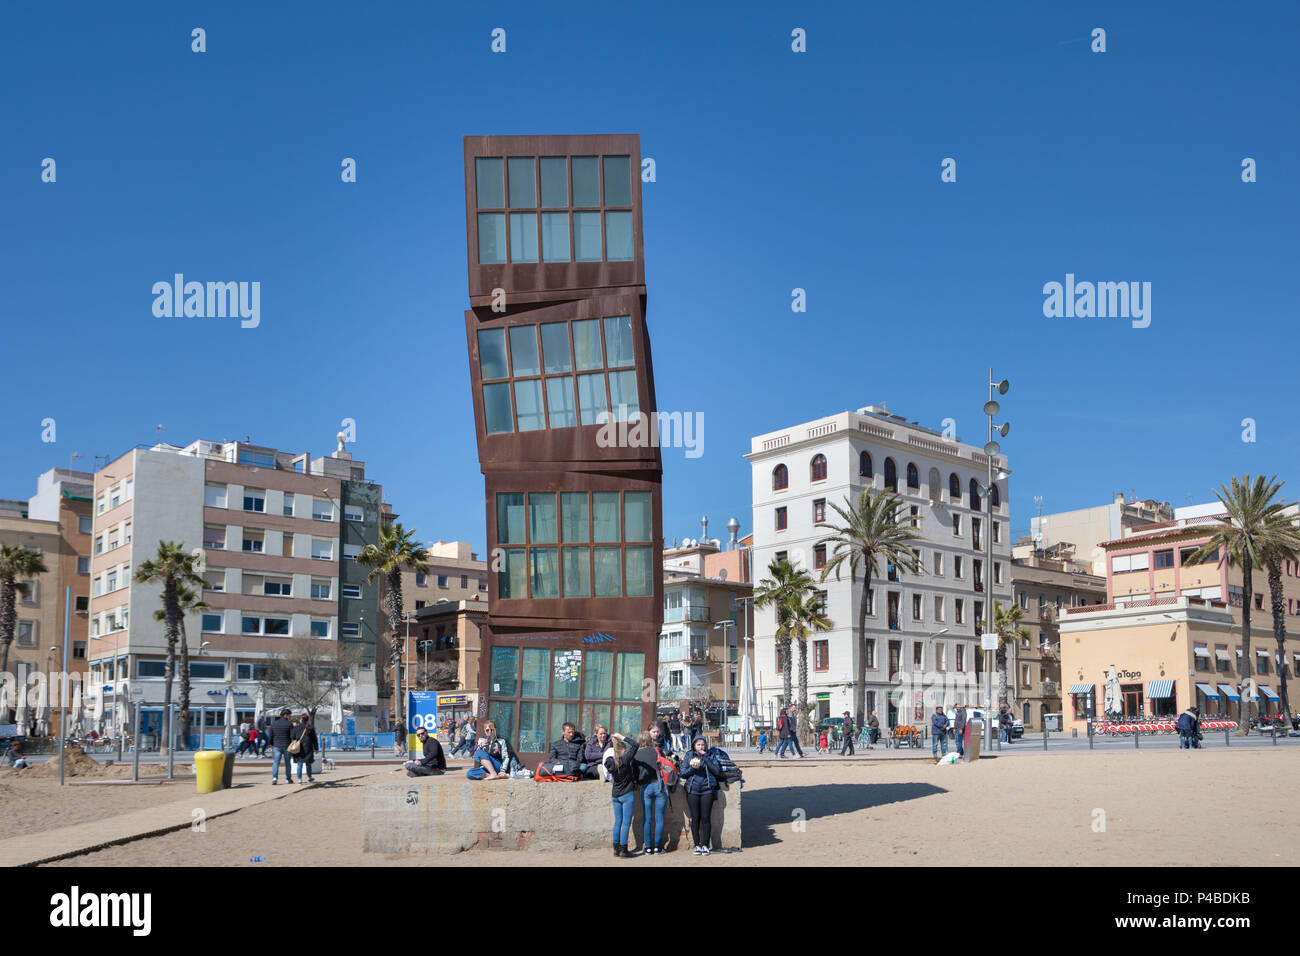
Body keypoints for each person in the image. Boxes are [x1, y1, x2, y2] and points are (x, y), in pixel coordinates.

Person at [680, 735, 724, 856]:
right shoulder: (689, 755)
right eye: (698, 744)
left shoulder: (710, 755)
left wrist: (706, 758)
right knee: (695, 818)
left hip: (707, 789)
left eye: (703, 744)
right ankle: (696, 845)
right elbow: (683, 773)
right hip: (692, 790)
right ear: (694, 745)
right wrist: (693, 769)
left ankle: (705, 844)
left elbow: (716, 771)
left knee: (706, 818)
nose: (701, 747)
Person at [633, 728, 671, 855]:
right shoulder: (657, 750)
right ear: (650, 740)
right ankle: (658, 847)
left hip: (645, 787)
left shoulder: (636, 755)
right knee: (659, 818)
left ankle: (648, 847)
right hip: (659, 785)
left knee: (647, 818)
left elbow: (635, 774)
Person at [604, 732, 640, 858]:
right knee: (625, 823)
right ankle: (624, 850)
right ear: (622, 750)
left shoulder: (610, 762)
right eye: (625, 750)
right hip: (627, 794)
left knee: (617, 822)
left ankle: (616, 848)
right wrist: (622, 737)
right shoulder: (625, 760)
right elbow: (635, 745)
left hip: (615, 794)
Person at [268, 708, 295, 785]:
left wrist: (271, 743)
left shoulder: (274, 723)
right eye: (290, 715)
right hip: (287, 745)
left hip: (276, 745)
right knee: (287, 763)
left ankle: (274, 777)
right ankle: (288, 779)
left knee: (276, 762)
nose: (290, 717)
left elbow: (271, 735)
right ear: (286, 715)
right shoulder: (289, 724)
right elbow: (292, 735)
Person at [292, 713, 318, 785]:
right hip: (308, 748)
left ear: (301, 719)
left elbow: (292, 736)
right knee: (308, 763)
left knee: (299, 764)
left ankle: (299, 780)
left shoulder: (296, 728)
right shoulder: (310, 728)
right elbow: (314, 739)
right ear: (307, 720)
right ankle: (309, 777)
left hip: (299, 748)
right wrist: (316, 748)